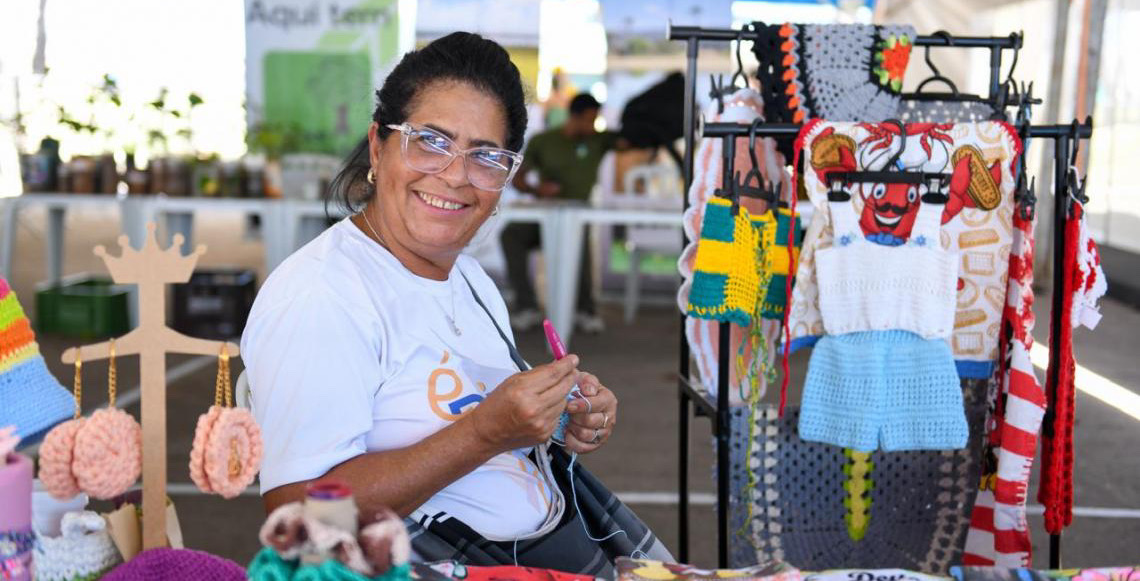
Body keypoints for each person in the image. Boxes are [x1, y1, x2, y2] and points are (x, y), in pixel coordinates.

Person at [241, 33, 668, 575]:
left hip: (554, 548)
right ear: (378, 146)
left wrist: (559, 416)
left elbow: (466, 408)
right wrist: (486, 432)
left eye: (487, 156)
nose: (455, 175)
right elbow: (301, 521)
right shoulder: (321, 296)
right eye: (430, 141)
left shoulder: (469, 278)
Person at [502, 93, 619, 333]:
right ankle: (526, 306)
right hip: (546, 213)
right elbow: (519, 178)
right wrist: (537, 189)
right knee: (511, 235)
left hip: (579, 214)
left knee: (580, 241)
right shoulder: (544, 141)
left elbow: (629, 142)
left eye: (595, 120)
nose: (591, 126)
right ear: (573, 116)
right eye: (588, 120)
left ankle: (585, 310)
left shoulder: (599, 140)